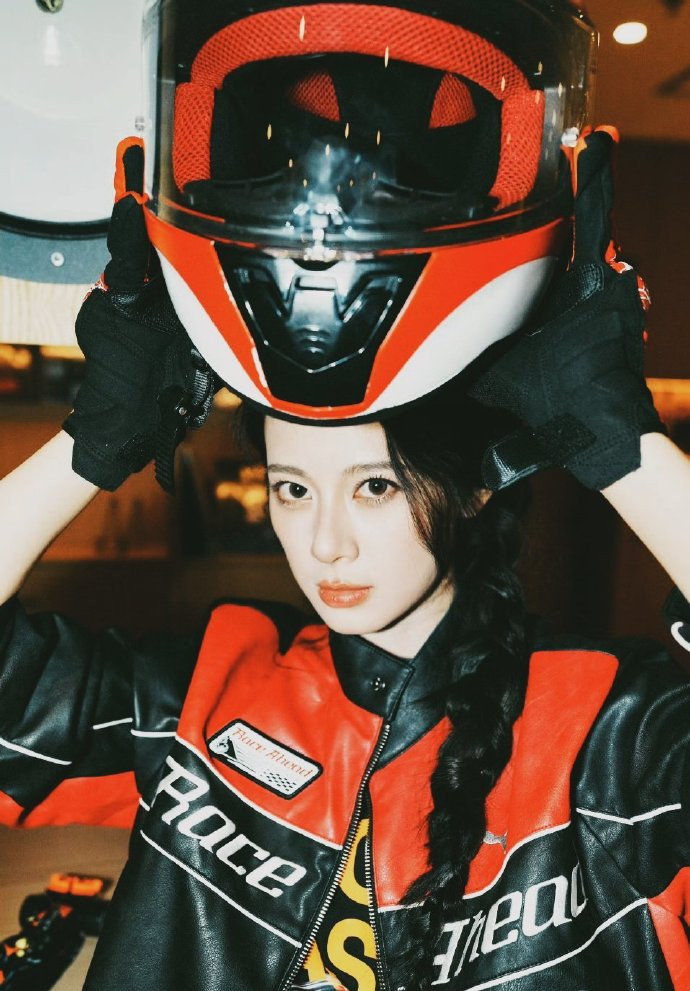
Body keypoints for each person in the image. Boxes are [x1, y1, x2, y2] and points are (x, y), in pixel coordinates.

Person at [2, 4, 690, 991]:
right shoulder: (205, 697)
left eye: (374, 485)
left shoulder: (609, 739)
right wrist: (85, 450)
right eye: (291, 487)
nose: (323, 541)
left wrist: (629, 454)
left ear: (475, 488)